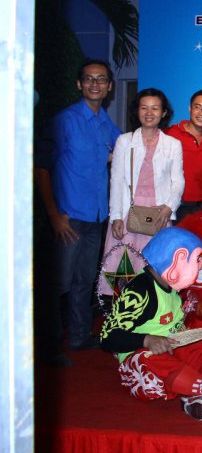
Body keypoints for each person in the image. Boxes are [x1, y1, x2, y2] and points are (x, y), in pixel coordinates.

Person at [99, 227, 202, 421]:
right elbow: (107, 336)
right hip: (146, 357)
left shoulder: (171, 287)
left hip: (175, 348)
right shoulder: (140, 291)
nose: (199, 269)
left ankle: (200, 392)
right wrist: (146, 340)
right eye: (196, 262)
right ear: (178, 258)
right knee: (149, 359)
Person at [36, 59, 121, 362]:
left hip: (96, 217)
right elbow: (41, 168)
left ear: (109, 87)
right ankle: (47, 348)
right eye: (88, 79)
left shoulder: (107, 125)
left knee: (84, 281)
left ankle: (79, 336)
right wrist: (53, 215)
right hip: (68, 218)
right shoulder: (64, 121)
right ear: (79, 84)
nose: (95, 84)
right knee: (58, 283)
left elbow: (126, 152)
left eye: (101, 79)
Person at [98, 88, 185, 297]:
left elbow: (178, 180)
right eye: (144, 108)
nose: (149, 113)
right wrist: (115, 216)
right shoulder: (124, 141)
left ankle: (153, 311)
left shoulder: (173, 144)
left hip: (158, 215)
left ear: (163, 113)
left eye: (155, 108)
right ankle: (121, 312)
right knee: (122, 270)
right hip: (128, 213)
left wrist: (169, 207)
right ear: (137, 111)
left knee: (155, 268)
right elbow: (116, 180)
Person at [166, 89, 202, 223]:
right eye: (197, 107)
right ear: (190, 108)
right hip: (174, 206)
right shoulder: (170, 133)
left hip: (201, 207)